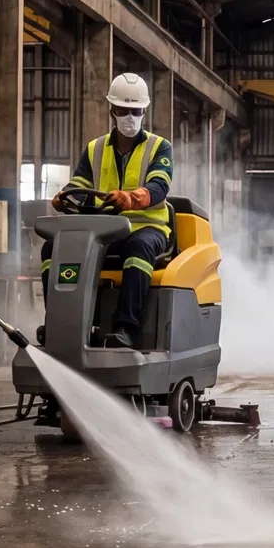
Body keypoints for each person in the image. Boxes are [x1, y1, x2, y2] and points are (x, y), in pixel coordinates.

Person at [53, 73, 176, 347]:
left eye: (136, 111)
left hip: (149, 228)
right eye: (124, 110)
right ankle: (61, 325)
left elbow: (159, 187)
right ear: (112, 110)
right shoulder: (94, 149)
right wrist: (63, 197)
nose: (130, 117)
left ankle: (125, 328)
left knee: (139, 248)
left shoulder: (159, 147)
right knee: (53, 250)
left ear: (144, 111)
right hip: (104, 231)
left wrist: (131, 199)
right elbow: (79, 184)